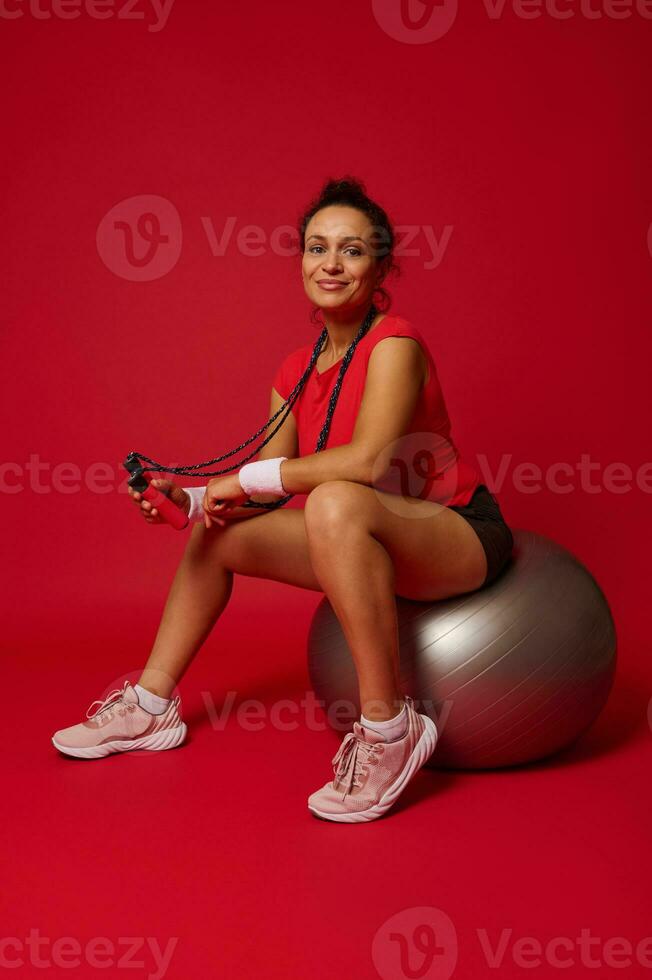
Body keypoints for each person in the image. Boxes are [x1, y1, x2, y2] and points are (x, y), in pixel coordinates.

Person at [51, 176, 514, 824]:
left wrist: (243, 481)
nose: (330, 263)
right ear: (300, 260)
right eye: (317, 247)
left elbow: (368, 461)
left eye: (351, 250)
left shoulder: (396, 344)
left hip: (454, 531)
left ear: (381, 265)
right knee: (219, 536)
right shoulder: (295, 368)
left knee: (334, 500)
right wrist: (189, 502)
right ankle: (149, 708)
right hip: (362, 533)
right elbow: (269, 489)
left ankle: (389, 729)